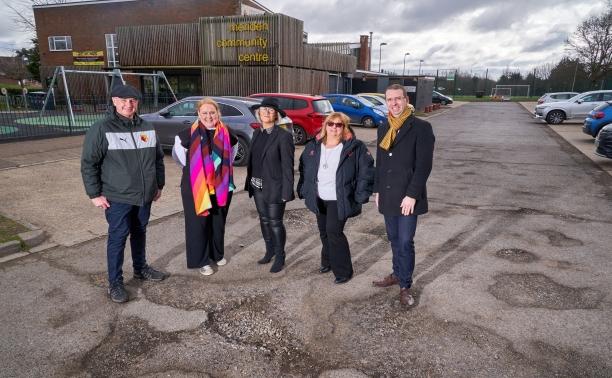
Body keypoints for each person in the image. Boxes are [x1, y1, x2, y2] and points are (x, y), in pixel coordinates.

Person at [81, 84, 167, 304]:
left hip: (144, 195)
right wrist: (94, 194)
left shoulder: (147, 126)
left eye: (133, 100)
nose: (129, 104)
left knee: (140, 232)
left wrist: (158, 185)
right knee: (118, 239)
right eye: (124, 100)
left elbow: (158, 159)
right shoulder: (102, 128)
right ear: (114, 101)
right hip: (117, 197)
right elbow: (89, 163)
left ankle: (140, 268)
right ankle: (115, 283)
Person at [372, 84, 435, 306]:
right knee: (394, 239)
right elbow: (380, 163)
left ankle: (405, 285)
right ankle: (397, 273)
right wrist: (377, 189)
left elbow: (424, 166)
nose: (394, 103)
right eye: (389, 99)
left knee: (406, 241)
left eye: (398, 99)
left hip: (408, 196)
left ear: (406, 100)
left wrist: (412, 195)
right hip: (388, 194)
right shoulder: (383, 127)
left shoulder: (421, 128)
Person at [297, 112, 374, 284]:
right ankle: (328, 261)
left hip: (339, 198)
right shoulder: (314, 145)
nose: (334, 127)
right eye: (331, 124)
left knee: (334, 232)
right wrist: (303, 188)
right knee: (324, 231)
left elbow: (366, 171)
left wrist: (361, 193)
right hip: (319, 196)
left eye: (339, 125)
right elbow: (304, 168)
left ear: (344, 127)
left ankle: (344, 271)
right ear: (325, 125)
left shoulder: (355, 147)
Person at [172, 98, 236, 276]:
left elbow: (232, 154)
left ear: (218, 113)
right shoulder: (184, 136)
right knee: (197, 224)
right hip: (196, 187)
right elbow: (181, 160)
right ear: (198, 114)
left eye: (212, 112)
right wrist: (201, 173)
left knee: (217, 222)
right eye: (204, 113)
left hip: (221, 186)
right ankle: (201, 261)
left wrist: (220, 171)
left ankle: (216, 254)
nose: (209, 116)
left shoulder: (228, 133)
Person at [245, 97, 295, 273]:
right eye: (263, 109)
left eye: (270, 110)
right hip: (257, 184)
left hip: (275, 186)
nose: (266, 112)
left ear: (276, 115)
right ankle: (269, 251)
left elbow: (288, 166)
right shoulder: (256, 133)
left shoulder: (283, 136)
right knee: (264, 219)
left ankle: (280, 256)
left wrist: (287, 191)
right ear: (259, 113)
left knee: (275, 222)